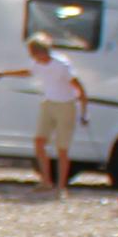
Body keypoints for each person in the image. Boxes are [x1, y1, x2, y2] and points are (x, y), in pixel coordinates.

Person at [22, 28, 85, 192]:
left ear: (40, 52)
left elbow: (79, 88)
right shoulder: (38, 63)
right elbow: (28, 72)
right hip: (49, 103)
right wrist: (4, 73)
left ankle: (61, 187)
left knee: (62, 148)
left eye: (33, 53)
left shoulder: (62, 65)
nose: (32, 57)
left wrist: (84, 112)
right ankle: (46, 181)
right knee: (39, 141)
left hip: (66, 105)